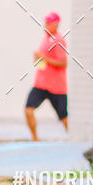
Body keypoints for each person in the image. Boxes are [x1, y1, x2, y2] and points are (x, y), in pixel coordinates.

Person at [24, 12, 68, 141]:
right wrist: (37, 59)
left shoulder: (59, 40)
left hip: (56, 87)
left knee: (64, 118)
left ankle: (75, 138)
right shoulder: (46, 38)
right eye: (46, 23)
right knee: (28, 110)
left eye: (49, 23)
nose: (46, 25)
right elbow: (42, 62)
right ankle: (35, 139)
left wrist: (44, 58)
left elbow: (63, 63)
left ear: (56, 24)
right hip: (41, 84)